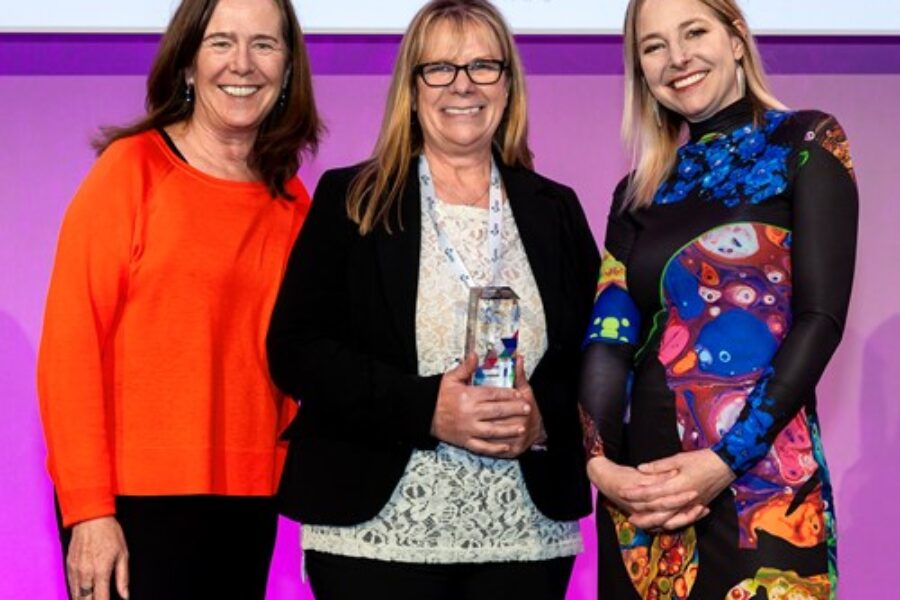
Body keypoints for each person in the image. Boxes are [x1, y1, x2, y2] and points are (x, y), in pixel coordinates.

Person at [266, 1, 599, 598]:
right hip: (375, 535)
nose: (463, 85)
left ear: (508, 84)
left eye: (483, 66)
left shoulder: (556, 209)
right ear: (412, 88)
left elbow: (593, 353)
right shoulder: (352, 199)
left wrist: (540, 417)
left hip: (524, 536)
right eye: (439, 68)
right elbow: (297, 350)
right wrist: (427, 409)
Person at [37, 0, 320, 598]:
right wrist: (89, 511)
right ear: (188, 63)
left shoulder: (293, 200)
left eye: (264, 45)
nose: (242, 64)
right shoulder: (131, 170)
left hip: (250, 503)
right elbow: (71, 348)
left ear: (289, 68)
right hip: (132, 508)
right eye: (221, 42)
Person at [578, 0, 858, 597]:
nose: (677, 57)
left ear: (735, 40)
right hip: (645, 501)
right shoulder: (636, 191)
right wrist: (602, 467)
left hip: (762, 492)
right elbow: (607, 340)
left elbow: (820, 319)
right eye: (653, 46)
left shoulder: (806, 142)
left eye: (694, 32)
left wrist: (722, 462)